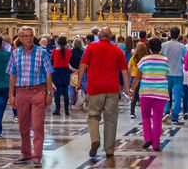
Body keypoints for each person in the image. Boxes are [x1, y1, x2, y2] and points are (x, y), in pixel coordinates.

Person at [80, 28, 130, 159]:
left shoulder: (90, 48)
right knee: (111, 120)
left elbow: (83, 66)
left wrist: (79, 82)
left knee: (93, 116)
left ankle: (95, 139)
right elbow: (125, 71)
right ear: (111, 37)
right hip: (112, 89)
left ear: (99, 36)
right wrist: (126, 88)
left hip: (94, 87)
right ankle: (109, 150)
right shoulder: (118, 50)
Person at [7, 26, 53, 165]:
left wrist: (49, 93)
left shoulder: (41, 52)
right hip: (21, 91)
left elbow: (49, 73)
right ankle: (26, 153)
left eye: (30, 35)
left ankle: (37, 156)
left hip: (38, 91)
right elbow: (12, 75)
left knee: (38, 125)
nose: (28, 38)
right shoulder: (15, 54)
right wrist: (11, 94)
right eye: (25, 36)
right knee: (23, 124)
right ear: (20, 38)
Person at [137, 37, 170, 151]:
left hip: (146, 91)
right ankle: (156, 144)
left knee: (145, 116)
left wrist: (131, 90)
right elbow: (166, 72)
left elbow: (138, 76)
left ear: (149, 48)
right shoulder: (165, 60)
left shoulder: (144, 60)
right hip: (161, 92)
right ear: (160, 48)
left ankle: (148, 138)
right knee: (157, 118)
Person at [161, 27, 186, 124]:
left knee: (166, 94)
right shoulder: (182, 46)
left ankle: (166, 111)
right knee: (177, 96)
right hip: (178, 73)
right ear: (179, 34)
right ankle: (175, 116)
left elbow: (162, 57)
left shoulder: (164, 45)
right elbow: (185, 59)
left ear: (170, 34)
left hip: (166, 73)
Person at [50, 35, 72, 116]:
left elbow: (51, 61)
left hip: (57, 71)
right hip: (65, 71)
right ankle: (66, 110)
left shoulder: (54, 51)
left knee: (57, 91)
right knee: (66, 91)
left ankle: (57, 109)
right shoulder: (69, 51)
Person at [128, 40, 147, 120]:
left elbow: (129, 67)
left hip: (134, 77)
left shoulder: (134, 57)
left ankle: (132, 112)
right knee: (145, 95)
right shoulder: (146, 57)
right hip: (144, 77)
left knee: (134, 95)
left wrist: (130, 76)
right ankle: (146, 112)